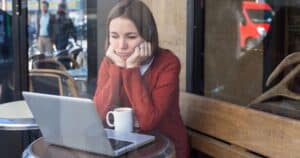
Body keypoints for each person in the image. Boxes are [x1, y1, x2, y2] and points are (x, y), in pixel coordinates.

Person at [93, 0, 190, 157]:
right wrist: (117, 67)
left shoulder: (168, 63)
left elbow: (147, 121)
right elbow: (98, 114)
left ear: (148, 36)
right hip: (127, 149)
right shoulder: (110, 62)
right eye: (114, 36)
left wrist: (131, 67)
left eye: (131, 36)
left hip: (164, 150)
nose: (121, 45)